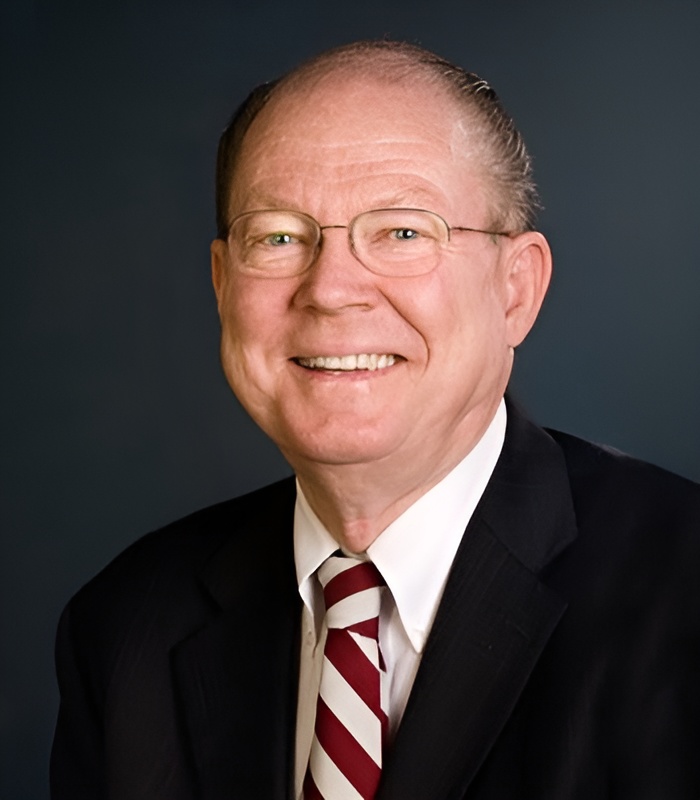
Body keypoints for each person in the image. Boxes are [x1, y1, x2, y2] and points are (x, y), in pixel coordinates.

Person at [51, 40, 700, 799]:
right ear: (223, 287)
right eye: (279, 237)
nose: (330, 290)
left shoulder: (682, 588)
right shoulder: (126, 627)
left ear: (516, 290)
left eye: (402, 232)